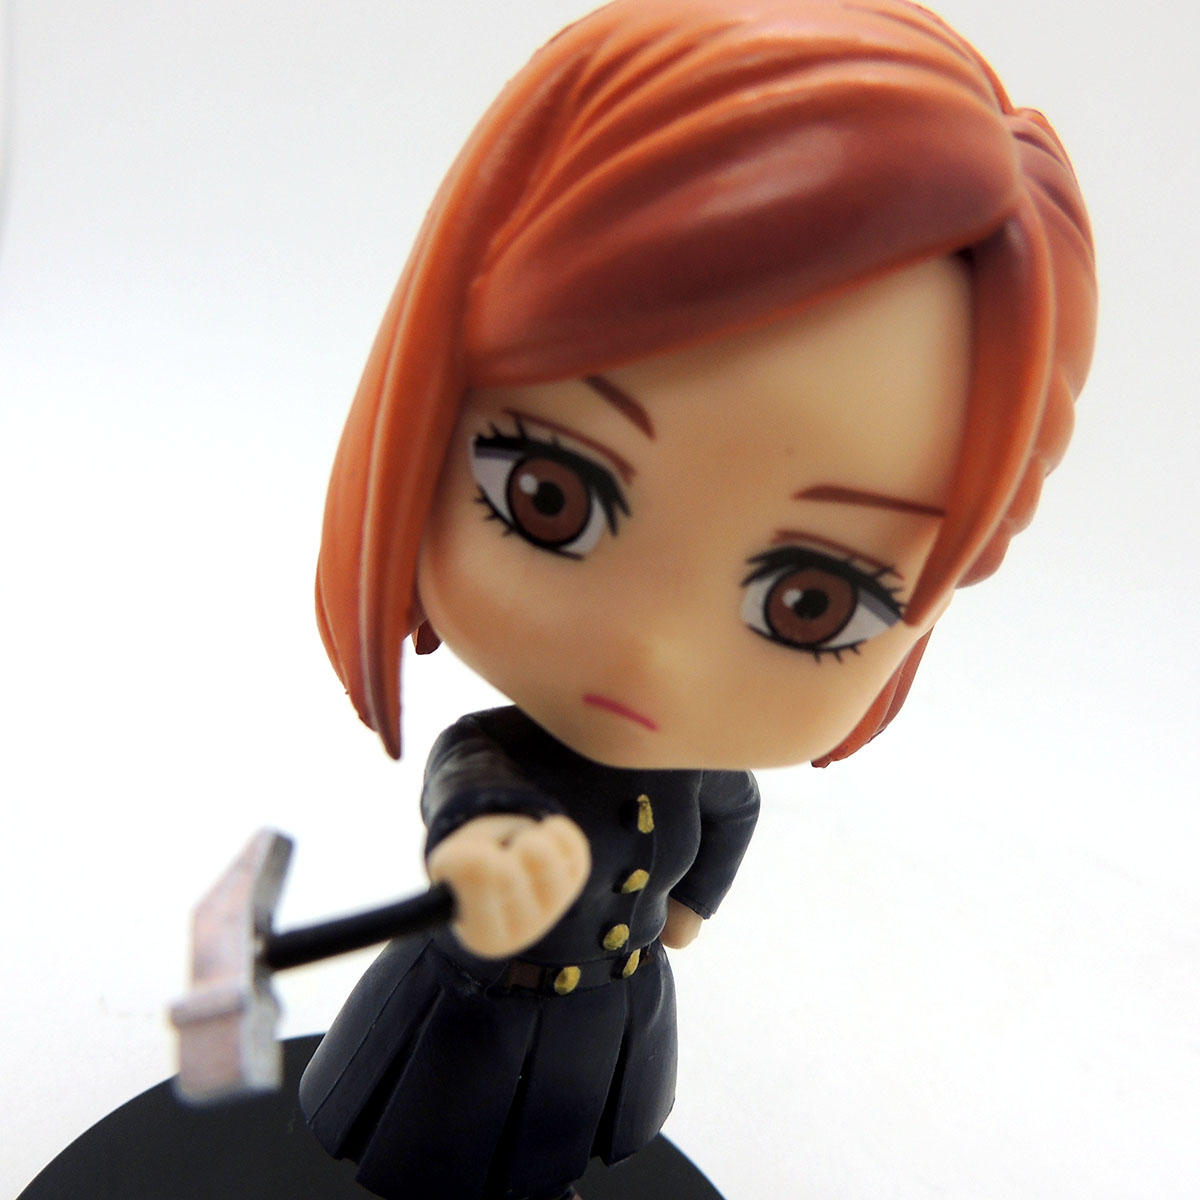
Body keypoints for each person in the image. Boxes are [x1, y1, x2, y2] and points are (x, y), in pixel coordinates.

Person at [298, 2, 1097, 1198]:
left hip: (610, 1016)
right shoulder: (501, 762)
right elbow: (474, 804)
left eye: (814, 603)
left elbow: (726, 817)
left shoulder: (703, 775)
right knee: (433, 1158)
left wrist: (687, 916)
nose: (655, 654)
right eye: (552, 496)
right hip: (471, 1017)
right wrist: (491, 869)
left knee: (556, 1158)